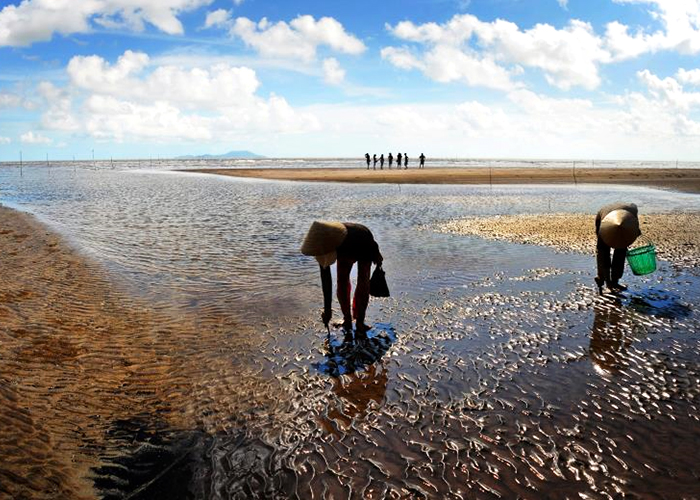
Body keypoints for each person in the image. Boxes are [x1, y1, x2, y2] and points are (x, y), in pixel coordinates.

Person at [301, 221, 383, 337]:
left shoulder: (356, 235)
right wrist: (327, 310)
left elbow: (371, 244)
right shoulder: (323, 244)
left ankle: (360, 322)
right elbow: (326, 280)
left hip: (364, 244)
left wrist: (376, 255)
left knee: (363, 283)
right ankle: (347, 319)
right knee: (342, 281)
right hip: (344, 248)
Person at [595, 202, 641, 293]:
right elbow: (636, 228)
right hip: (605, 222)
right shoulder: (633, 211)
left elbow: (634, 227)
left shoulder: (628, 211)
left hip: (613, 223)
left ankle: (606, 280)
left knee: (603, 252)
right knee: (618, 253)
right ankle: (611, 282)